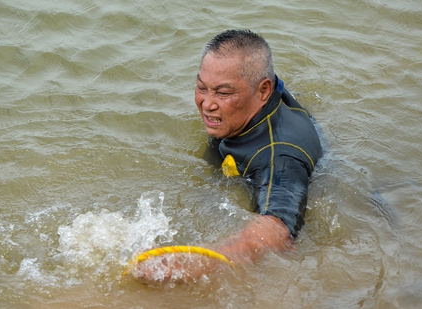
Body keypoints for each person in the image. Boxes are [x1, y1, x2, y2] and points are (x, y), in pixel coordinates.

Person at [131, 29, 323, 283]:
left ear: (264, 90)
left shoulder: (280, 156)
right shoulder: (250, 102)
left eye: (222, 93)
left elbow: (278, 228)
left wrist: (197, 261)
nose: (207, 104)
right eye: (202, 87)